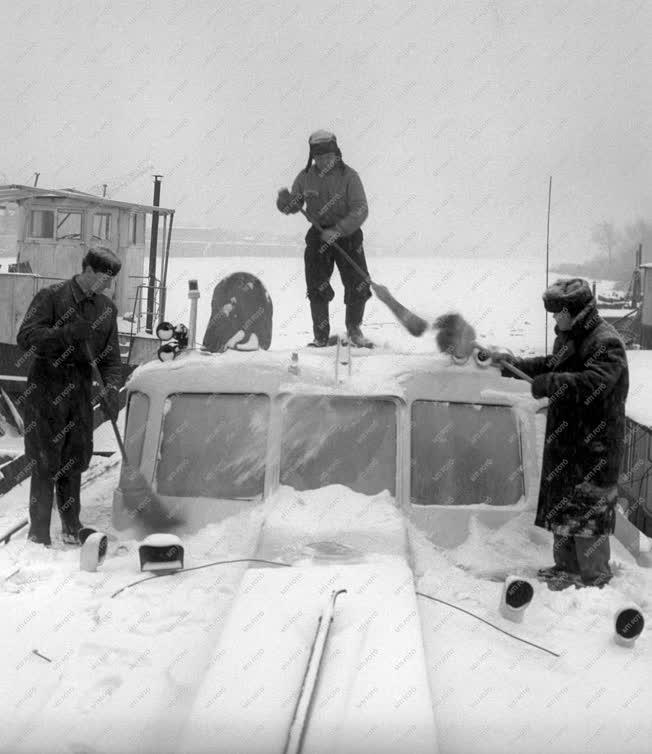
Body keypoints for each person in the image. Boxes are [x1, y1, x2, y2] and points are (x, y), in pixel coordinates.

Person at [491, 278, 629, 590]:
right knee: (564, 509)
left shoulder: (605, 342)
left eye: (557, 313)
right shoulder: (570, 336)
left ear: (573, 311)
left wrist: (551, 383)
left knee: (588, 513)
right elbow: (552, 365)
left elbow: (595, 383)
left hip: (594, 446)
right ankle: (566, 569)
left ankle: (595, 581)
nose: (553, 319)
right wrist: (513, 366)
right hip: (568, 442)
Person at [17, 247, 123, 546]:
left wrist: (112, 387)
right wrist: (64, 335)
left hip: (79, 392)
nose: (109, 285)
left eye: (112, 278)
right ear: (87, 270)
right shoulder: (51, 297)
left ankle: (71, 524)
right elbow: (25, 337)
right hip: (46, 389)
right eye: (105, 277)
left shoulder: (106, 309)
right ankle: (38, 532)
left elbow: (110, 359)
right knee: (44, 460)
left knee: (74, 459)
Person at [276, 129, 372, 347]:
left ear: (336, 154)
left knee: (358, 283)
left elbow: (360, 209)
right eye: (318, 157)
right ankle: (320, 336)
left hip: (348, 235)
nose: (323, 160)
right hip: (319, 236)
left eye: (328, 156)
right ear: (312, 156)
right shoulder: (305, 177)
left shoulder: (350, 177)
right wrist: (286, 202)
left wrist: (338, 230)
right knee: (316, 285)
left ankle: (354, 330)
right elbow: (294, 205)